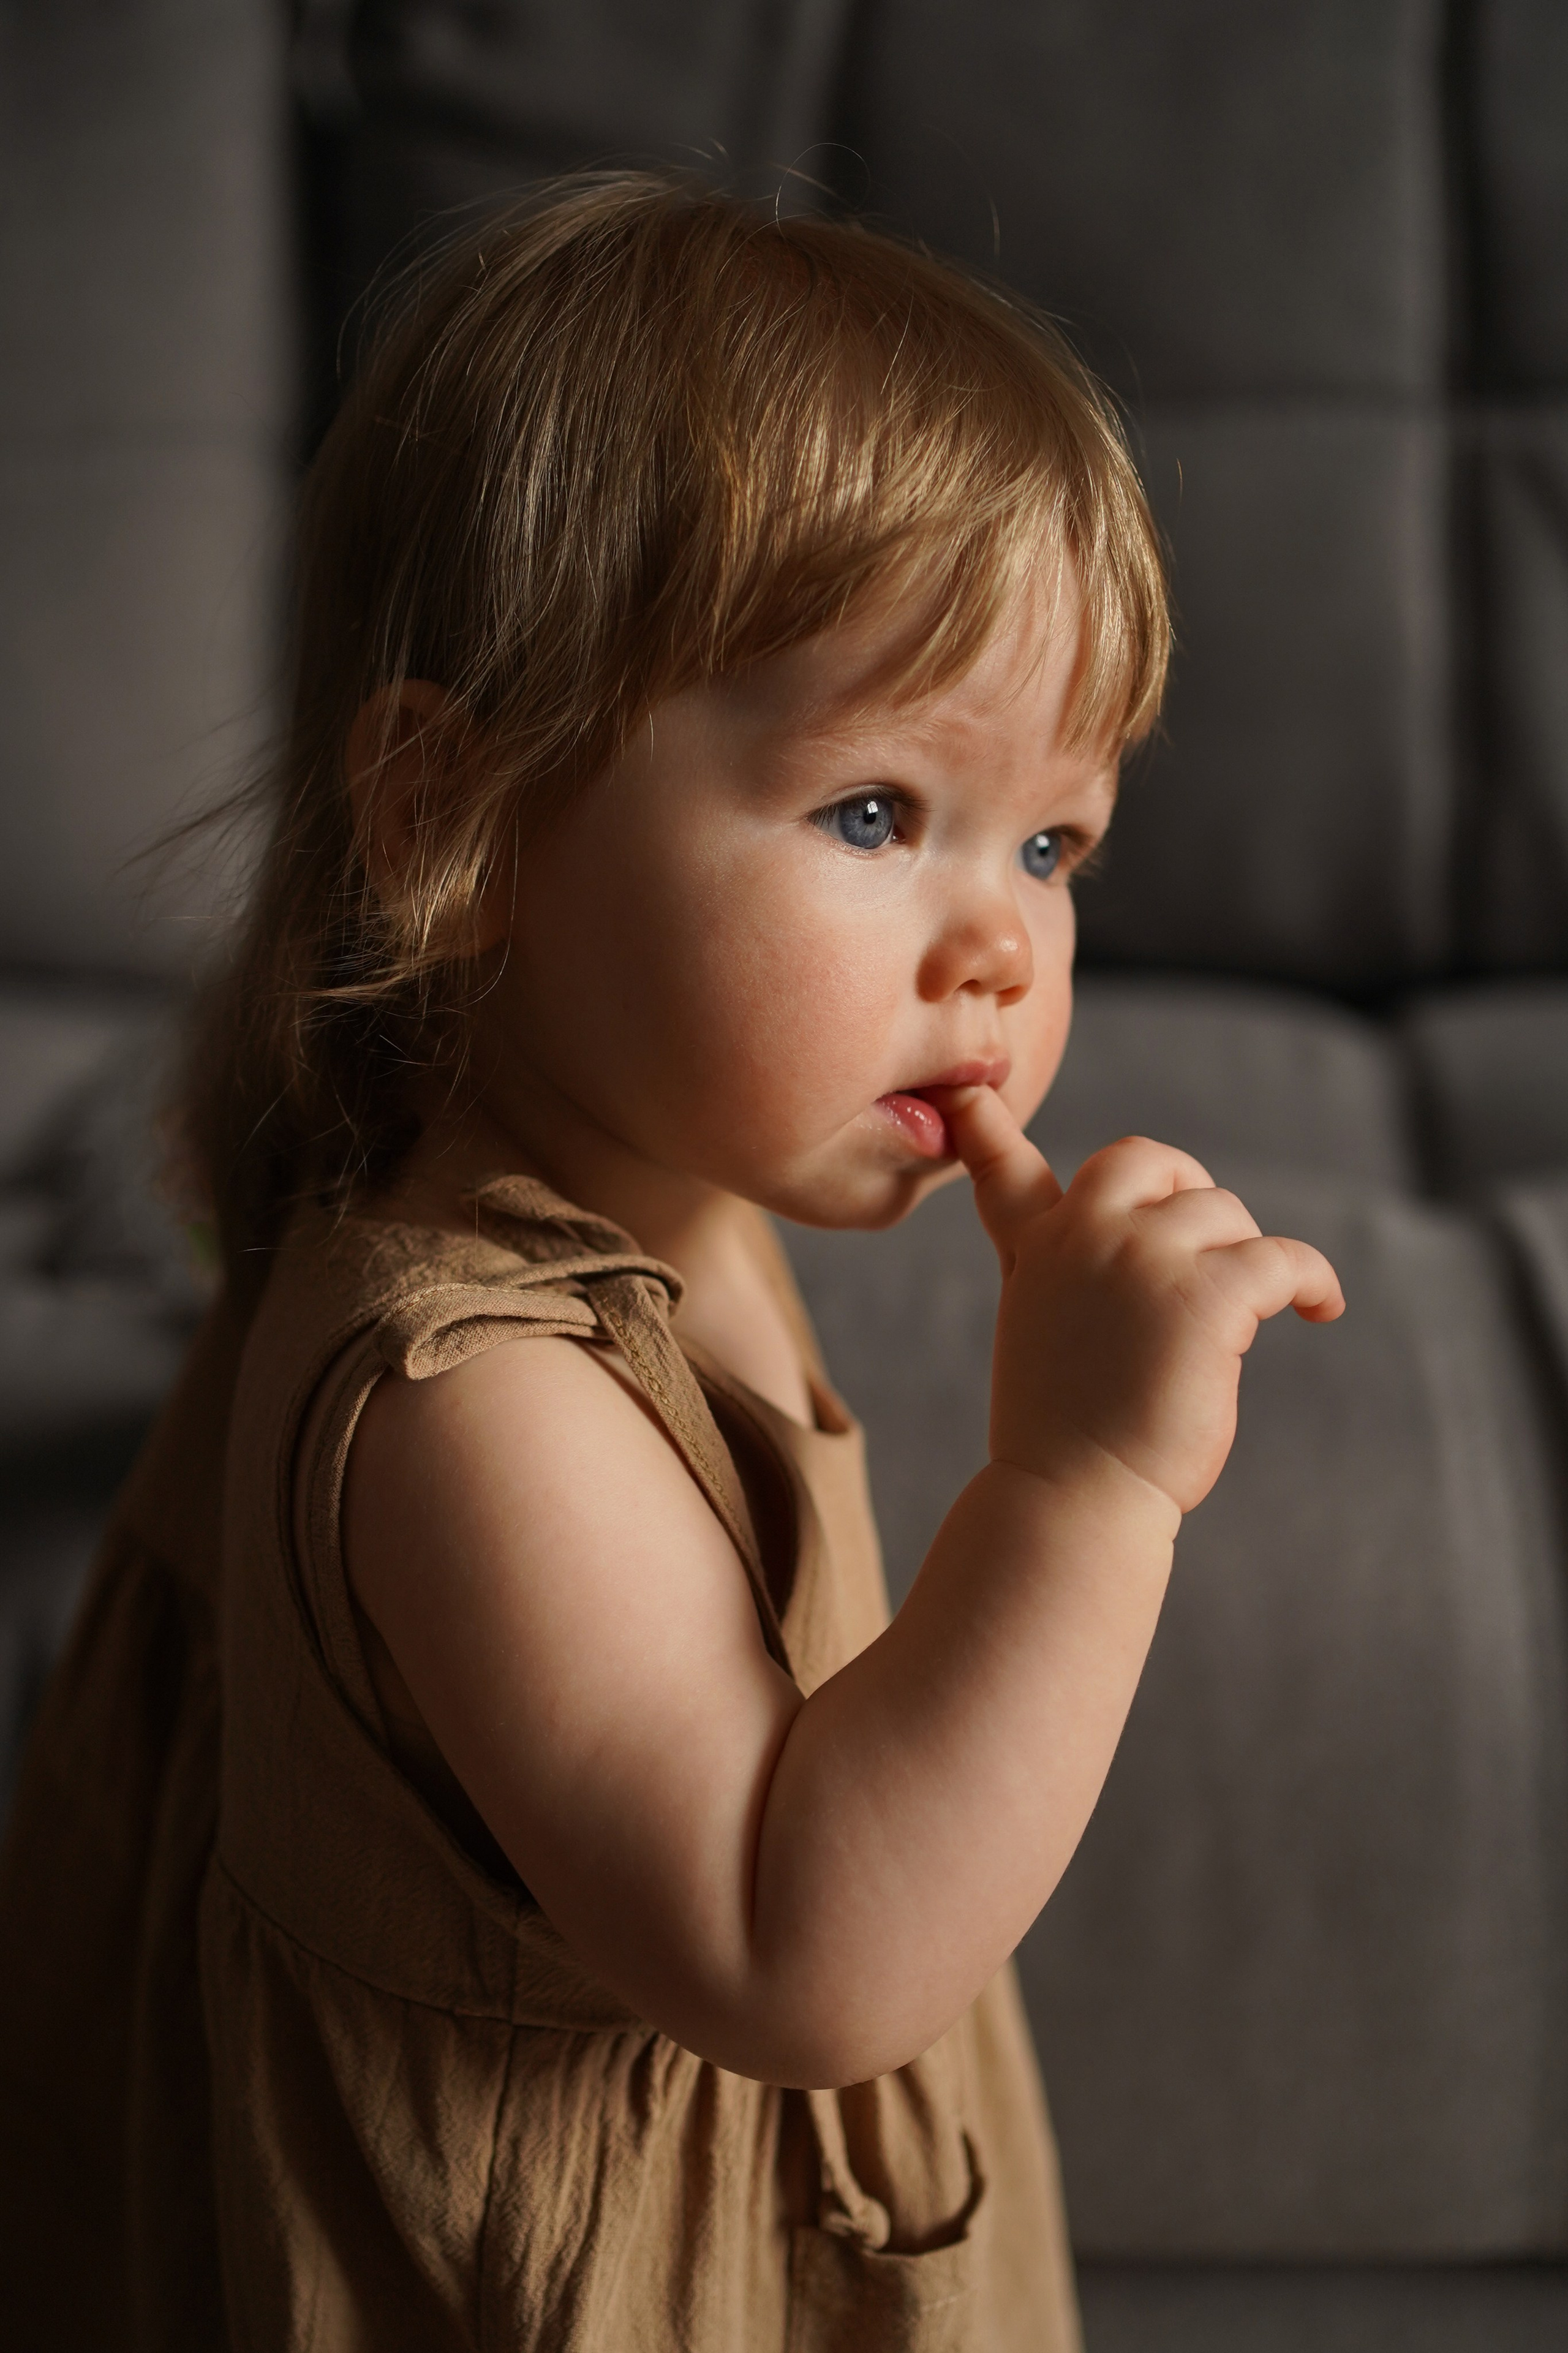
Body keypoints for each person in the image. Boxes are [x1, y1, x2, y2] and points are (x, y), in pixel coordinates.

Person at [0, 173, 1343, 2351]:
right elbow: (797, 1950)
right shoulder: (473, 1403)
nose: (1003, 939)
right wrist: (1087, 1489)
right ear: (459, 819)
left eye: (1053, 839)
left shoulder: (656, 1171)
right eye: (877, 812)